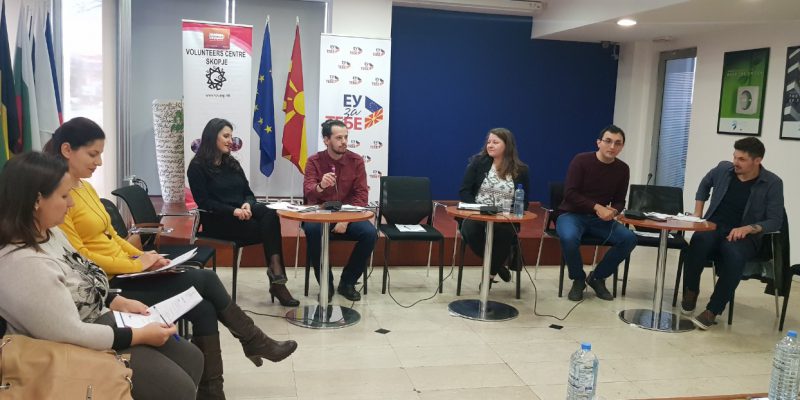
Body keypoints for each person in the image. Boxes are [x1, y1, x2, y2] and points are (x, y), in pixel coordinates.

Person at [44, 117, 298, 400]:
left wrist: (143, 255)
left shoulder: (85, 188)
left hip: (129, 270)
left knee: (204, 306)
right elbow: (83, 257)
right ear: (67, 150)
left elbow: (112, 236)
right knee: (206, 279)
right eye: (93, 154)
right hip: (112, 283)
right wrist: (136, 264)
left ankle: (212, 391)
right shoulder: (58, 198)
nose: (100, 162)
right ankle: (253, 340)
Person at [0, 152, 202, 400]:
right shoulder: (23, 264)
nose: (71, 204)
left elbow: (82, 277)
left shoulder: (50, 233)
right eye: (64, 196)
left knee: (192, 357)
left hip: (98, 321)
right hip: (68, 349)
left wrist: (117, 302)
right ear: (36, 201)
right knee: (176, 388)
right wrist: (139, 335)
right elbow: (71, 333)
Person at [187, 118, 299, 307]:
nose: (230, 141)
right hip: (218, 219)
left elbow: (247, 192)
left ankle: (276, 274)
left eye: (231, 136)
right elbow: (204, 202)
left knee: (269, 213)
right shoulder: (197, 167)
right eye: (226, 136)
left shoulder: (231, 163)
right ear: (212, 137)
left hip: (243, 213)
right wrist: (234, 211)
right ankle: (277, 281)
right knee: (268, 228)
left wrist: (247, 204)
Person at [682, 137, 784, 330]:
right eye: (735, 157)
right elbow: (705, 184)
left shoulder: (772, 183)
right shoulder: (724, 169)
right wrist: (697, 213)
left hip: (745, 236)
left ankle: (713, 310)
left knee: (734, 254)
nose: (735, 162)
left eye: (742, 159)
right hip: (714, 226)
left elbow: (775, 220)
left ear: (757, 160)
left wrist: (749, 228)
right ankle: (691, 290)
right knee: (698, 241)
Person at [557, 124, 637, 302]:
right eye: (608, 141)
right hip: (571, 214)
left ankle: (597, 277)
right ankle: (578, 279)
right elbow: (570, 193)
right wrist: (597, 207)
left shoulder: (623, 169)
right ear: (598, 143)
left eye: (617, 143)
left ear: (622, 147)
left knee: (629, 238)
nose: (612, 146)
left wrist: (614, 210)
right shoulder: (581, 160)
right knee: (569, 238)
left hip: (600, 220)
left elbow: (620, 200)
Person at [303, 119, 376, 301]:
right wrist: (321, 186)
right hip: (320, 213)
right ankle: (325, 284)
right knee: (313, 231)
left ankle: (348, 282)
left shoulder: (356, 161)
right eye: (338, 138)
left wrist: (345, 219)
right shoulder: (314, 161)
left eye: (346, 137)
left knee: (370, 234)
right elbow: (308, 191)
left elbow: (361, 196)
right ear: (326, 140)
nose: (344, 142)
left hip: (348, 214)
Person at [458, 127, 530, 284]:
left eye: (495, 142)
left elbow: (524, 200)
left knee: (506, 234)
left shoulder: (521, 170)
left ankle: (489, 277)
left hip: (505, 217)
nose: (490, 145)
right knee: (469, 230)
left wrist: (513, 212)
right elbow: (464, 191)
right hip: (477, 215)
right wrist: (476, 209)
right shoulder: (478, 163)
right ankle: (497, 265)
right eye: (489, 142)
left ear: (507, 145)